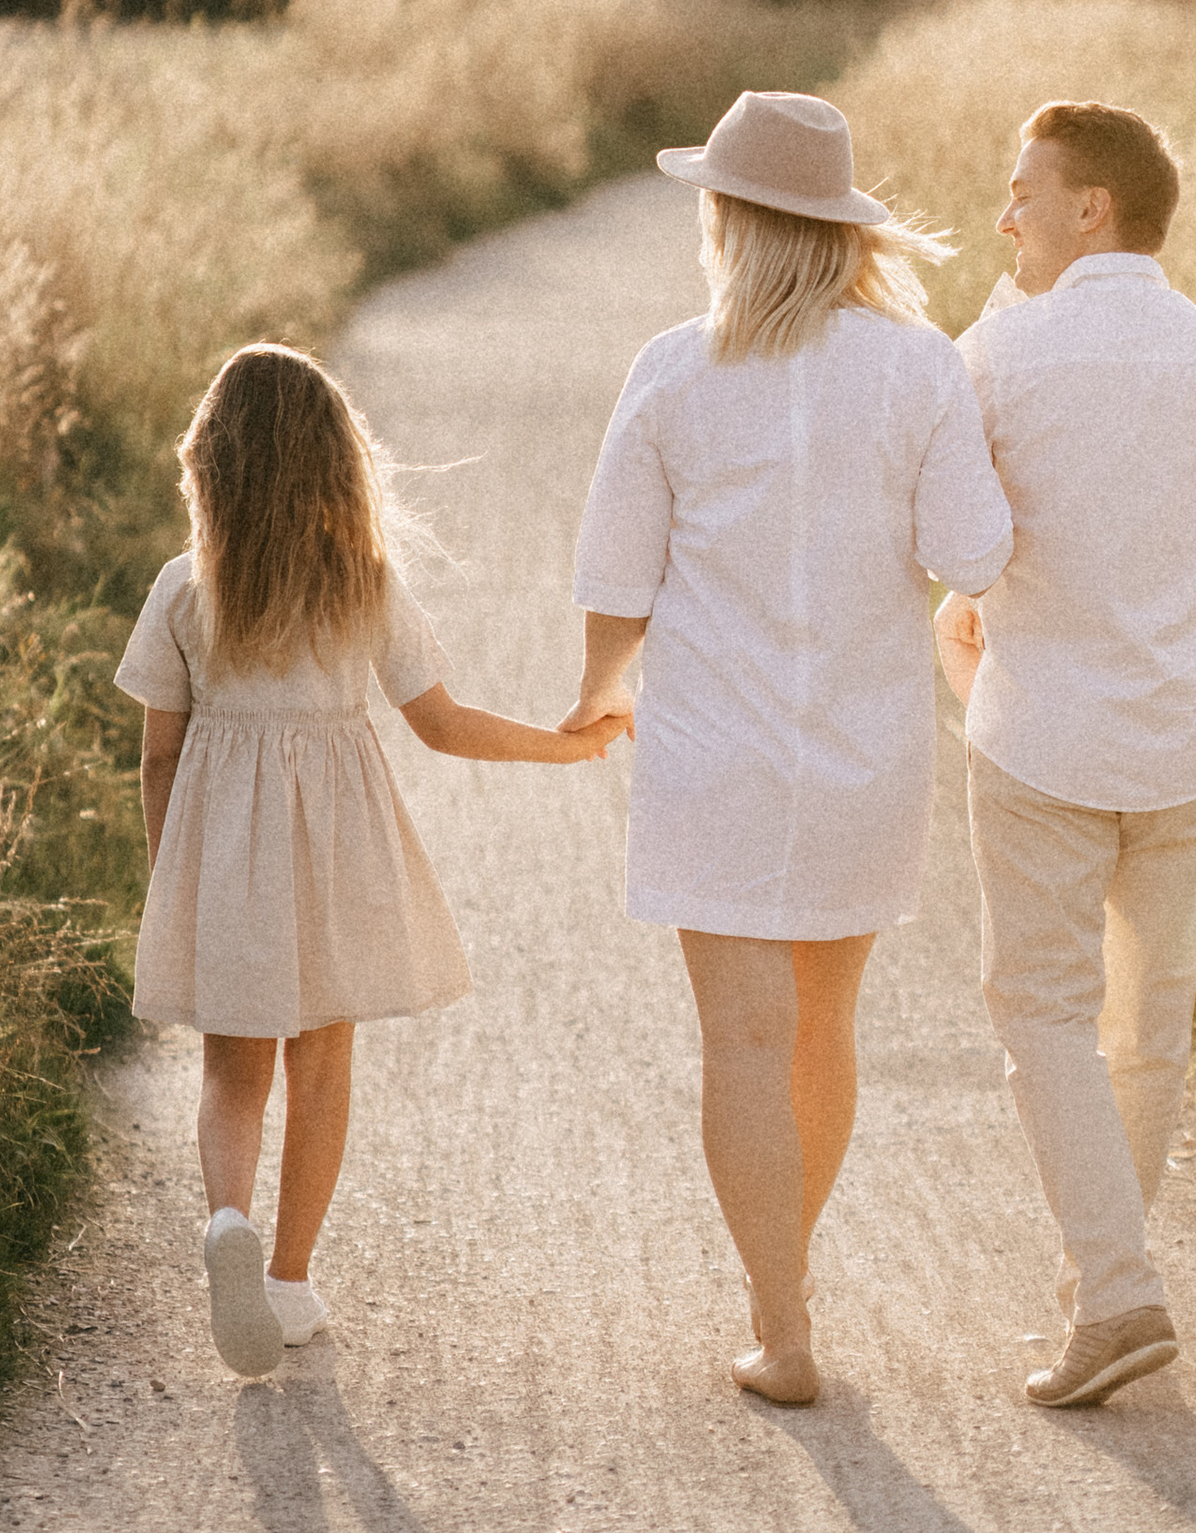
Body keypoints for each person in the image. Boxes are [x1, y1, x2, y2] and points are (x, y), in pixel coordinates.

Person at [562, 90, 1014, 1407]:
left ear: (726, 221)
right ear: (841, 233)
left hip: (716, 759)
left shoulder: (672, 370)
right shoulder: (921, 367)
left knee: (743, 1042)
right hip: (864, 759)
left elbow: (615, 576)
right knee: (822, 1028)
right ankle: (789, 1280)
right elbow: (974, 552)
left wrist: (598, 694)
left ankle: (782, 1314)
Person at [116, 341, 628, 1381]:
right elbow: (441, 725)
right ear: (336, 466)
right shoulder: (363, 586)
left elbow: (159, 756)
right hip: (338, 859)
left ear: (208, 464)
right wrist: (564, 741)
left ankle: (227, 1220)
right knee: (323, 1063)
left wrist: (178, 876)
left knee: (230, 1070)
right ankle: (290, 1281)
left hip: (224, 864)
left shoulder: (182, 589)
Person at [933, 100, 1196, 1411]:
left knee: (1041, 1014)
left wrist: (973, 614)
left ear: (1096, 208)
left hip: (1047, 736)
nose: (1006, 215)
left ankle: (1117, 1293)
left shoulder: (999, 354)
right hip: (1186, 731)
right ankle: (1106, 1283)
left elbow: (964, 551)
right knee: (1150, 1027)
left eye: (1026, 191)